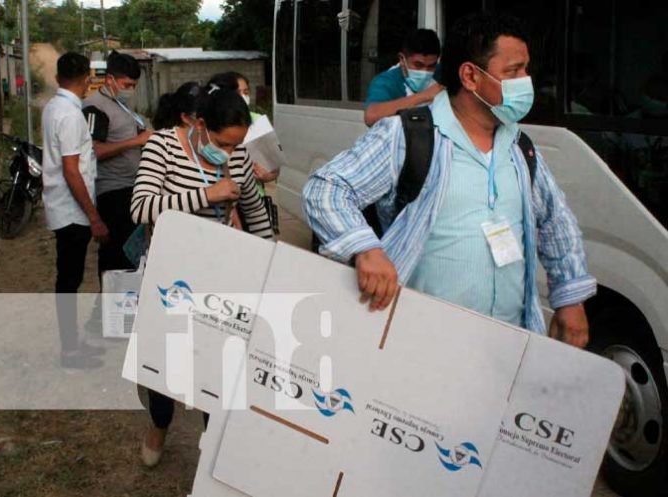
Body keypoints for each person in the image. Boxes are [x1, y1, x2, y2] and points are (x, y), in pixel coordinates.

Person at [303, 12, 596, 348]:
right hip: (423, 341)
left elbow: (556, 221)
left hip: (507, 343)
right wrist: (365, 249)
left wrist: (570, 298)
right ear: (470, 75)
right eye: (513, 71)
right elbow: (326, 188)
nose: (525, 81)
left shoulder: (520, 147)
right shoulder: (407, 134)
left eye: (526, 69)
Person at [131, 82, 274, 467]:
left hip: (219, 277)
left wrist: (270, 257)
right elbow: (142, 209)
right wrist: (206, 195)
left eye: (235, 145)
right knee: (164, 364)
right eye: (222, 143)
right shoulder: (162, 146)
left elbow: (254, 211)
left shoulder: (239, 155)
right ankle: (159, 423)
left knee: (216, 367)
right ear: (198, 124)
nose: (228, 153)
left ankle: (212, 448)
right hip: (168, 277)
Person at [41, 52, 108, 369]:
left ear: (58, 78)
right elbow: (71, 171)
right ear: (86, 79)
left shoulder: (56, 107)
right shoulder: (70, 115)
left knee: (70, 279)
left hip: (64, 206)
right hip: (71, 211)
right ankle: (70, 351)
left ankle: (73, 342)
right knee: (69, 281)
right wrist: (93, 216)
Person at [83, 51, 153, 278]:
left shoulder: (121, 105)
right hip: (113, 191)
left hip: (132, 188)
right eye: (126, 84)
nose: (130, 90)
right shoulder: (95, 107)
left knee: (133, 254)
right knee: (115, 256)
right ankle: (109, 307)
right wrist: (137, 141)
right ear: (109, 79)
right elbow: (94, 151)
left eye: (134, 85)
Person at [364, 29, 444, 127]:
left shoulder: (441, 73)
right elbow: (371, 117)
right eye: (418, 65)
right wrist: (424, 96)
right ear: (402, 59)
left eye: (431, 66)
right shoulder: (386, 82)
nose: (425, 72)